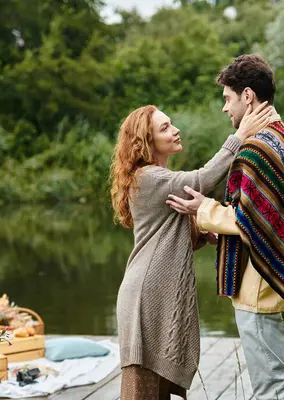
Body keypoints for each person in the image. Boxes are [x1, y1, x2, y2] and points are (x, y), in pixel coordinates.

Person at [166, 54, 284, 400]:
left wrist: (205, 209)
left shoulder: (256, 147)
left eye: (227, 99)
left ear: (247, 96)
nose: (224, 109)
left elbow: (253, 218)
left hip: (261, 285)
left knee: (271, 390)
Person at [110, 102, 272, 399]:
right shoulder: (149, 177)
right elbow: (200, 180)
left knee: (156, 392)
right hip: (146, 298)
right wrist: (239, 137)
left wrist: (200, 235)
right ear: (147, 142)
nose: (175, 130)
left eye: (171, 124)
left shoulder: (156, 177)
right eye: (165, 128)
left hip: (152, 292)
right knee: (142, 393)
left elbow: (163, 230)